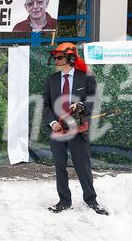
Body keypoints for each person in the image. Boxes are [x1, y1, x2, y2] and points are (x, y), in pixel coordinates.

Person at [42, 42, 108, 215]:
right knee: (59, 166)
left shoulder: (85, 77)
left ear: (70, 58)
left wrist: (81, 105)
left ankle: (91, 200)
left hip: (78, 130)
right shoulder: (51, 80)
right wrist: (52, 123)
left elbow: (93, 100)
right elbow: (45, 105)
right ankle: (64, 201)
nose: (56, 59)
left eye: (59, 57)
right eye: (55, 57)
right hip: (57, 131)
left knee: (83, 165)